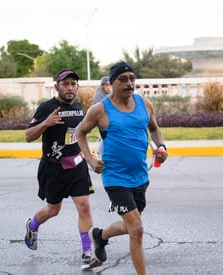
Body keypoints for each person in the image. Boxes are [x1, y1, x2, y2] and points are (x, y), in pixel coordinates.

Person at [76, 61, 168, 275]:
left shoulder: (145, 104)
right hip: (115, 179)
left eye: (132, 79)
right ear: (112, 82)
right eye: (123, 79)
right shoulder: (99, 110)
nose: (129, 84)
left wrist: (161, 147)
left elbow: (154, 129)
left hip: (140, 177)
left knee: (130, 226)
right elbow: (80, 133)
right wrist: (90, 160)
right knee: (137, 230)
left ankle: (100, 236)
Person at [24, 69, 100, 269]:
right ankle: (32, 225)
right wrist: (46, 123)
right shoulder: (46, 108)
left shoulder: (78, 106)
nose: (70, 87)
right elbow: (28, 136)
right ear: (56, 86)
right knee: (53, 209)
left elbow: (79, 132)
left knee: (84, 205)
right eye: (65, 84)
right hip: (54, 168)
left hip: (77, 165)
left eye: (73, 83)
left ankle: (87, 252)